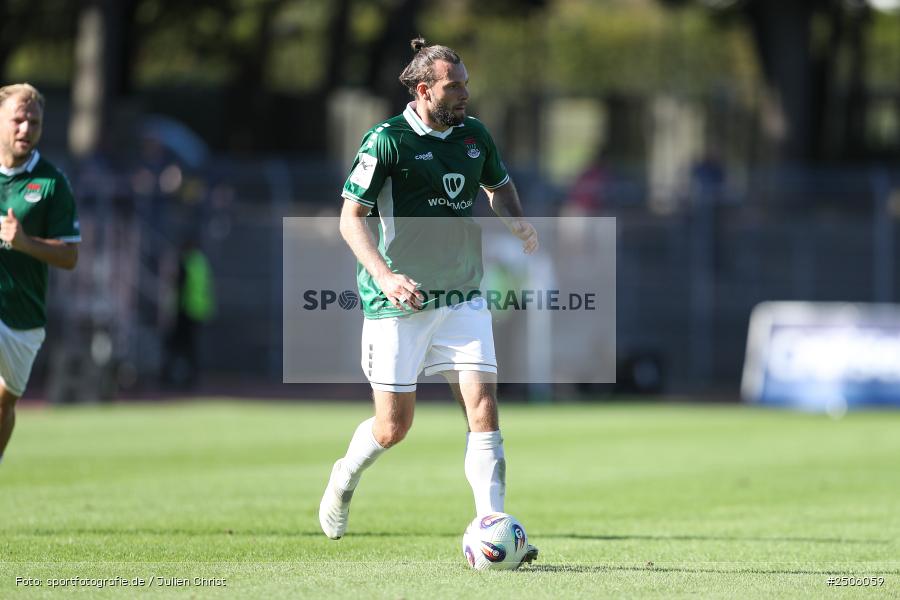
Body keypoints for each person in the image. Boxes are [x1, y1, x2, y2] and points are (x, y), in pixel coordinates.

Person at [318, 38, 540, 564]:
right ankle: (344, 477)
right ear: (424, 90)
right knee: (394, 428)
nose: (464, 93)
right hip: (399, 302)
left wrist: (517, 218)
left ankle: (491, 524)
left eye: (465, 83)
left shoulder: (474, 135)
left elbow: (498, 186)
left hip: (463, 295)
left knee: (483, 409)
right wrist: (387, 276)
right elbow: (351, 218)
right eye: (453, 85)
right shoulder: (386, 141)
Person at [0, 83, 80, 464]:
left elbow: (69, 256)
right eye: (17, 119)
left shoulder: (51, 183)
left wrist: (25, 243)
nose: (25, 129)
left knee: (4, 403)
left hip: (23, 318)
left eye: (33, 122)